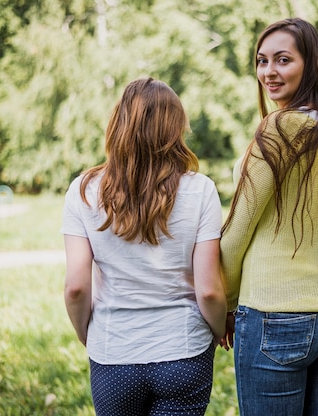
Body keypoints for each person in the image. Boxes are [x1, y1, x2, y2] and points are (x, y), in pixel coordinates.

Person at [219, 18, 318, 416]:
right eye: (262, 61)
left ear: (311, 64)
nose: (269, 72)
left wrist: (226, 302)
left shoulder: (279, 127)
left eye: (283, 60)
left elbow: (236, 231)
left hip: (275, 315)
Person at [61, 77, 227, 416]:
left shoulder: (83, 191)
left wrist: (87, 335)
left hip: (113, 354)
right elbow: (209, 291)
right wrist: (219, 329)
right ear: (175, 127)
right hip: (182, 353)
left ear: (119, 124)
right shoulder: (201, 190)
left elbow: (76, 288)